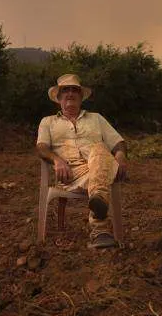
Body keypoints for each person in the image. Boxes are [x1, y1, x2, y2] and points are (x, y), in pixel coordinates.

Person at [36, 74, 128, 249]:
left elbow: (117, 142)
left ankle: (100, 227)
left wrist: (121, 155)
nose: (70, 93)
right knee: (101, 160)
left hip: (100, 165)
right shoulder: (48, 122)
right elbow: (41, 147)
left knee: (99, 149)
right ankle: (100, 222)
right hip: (70, 173)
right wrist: (57, 160)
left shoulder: (96, 118)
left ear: (81, 97)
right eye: (65, 90)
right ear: (59, 98)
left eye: (75, 90)